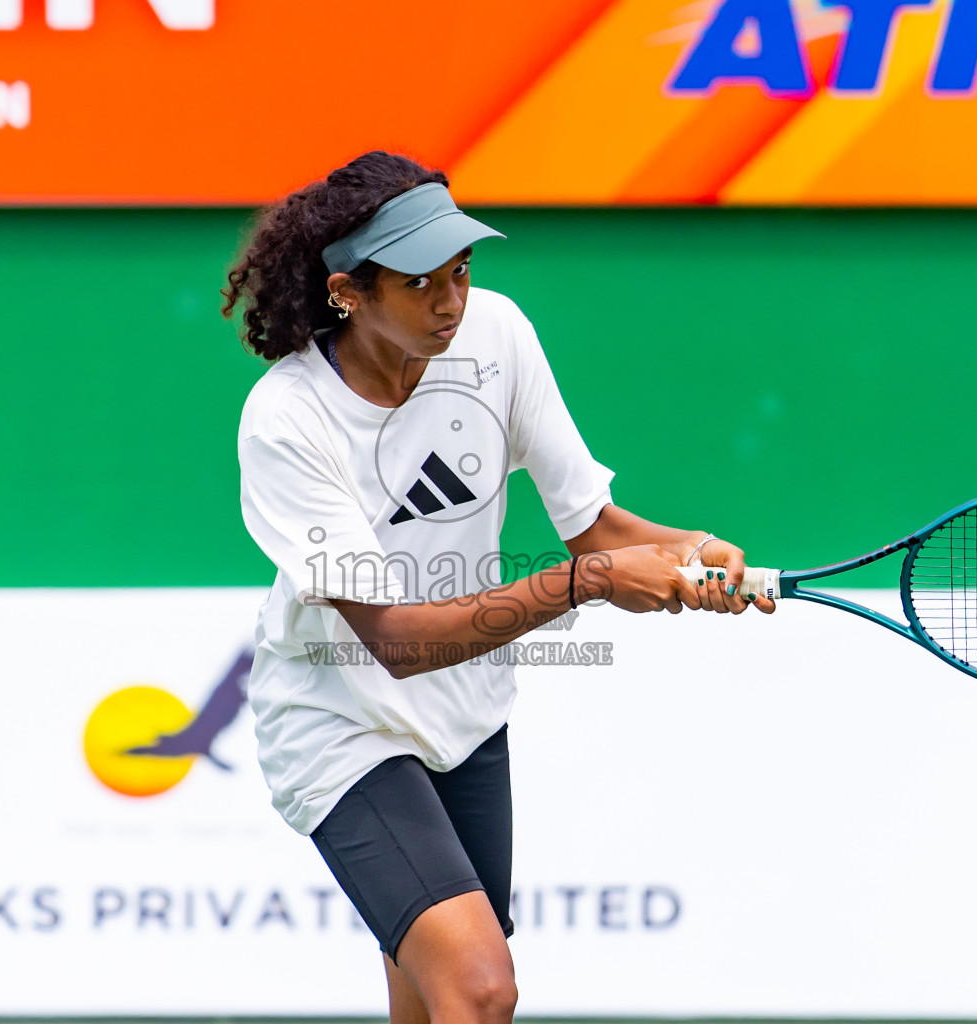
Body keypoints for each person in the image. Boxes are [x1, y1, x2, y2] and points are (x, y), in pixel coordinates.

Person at [223, 151, 775, 1024]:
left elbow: (595, 523)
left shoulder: (498, 334)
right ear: (347, 293)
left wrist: (693, 548)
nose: (452, 302)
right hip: (341, 723)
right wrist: (590, 582)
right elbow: (398, 640)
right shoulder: (288, 420)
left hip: (469, 717)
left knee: (436, 1000)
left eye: (463, 270)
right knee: (481, 991)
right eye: (421, 283)